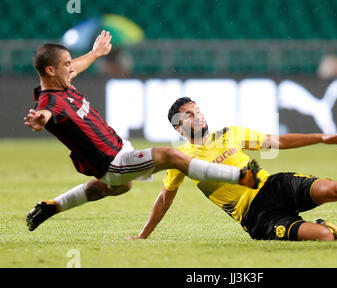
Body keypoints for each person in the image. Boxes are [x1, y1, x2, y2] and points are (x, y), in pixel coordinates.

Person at [24, 31, 260, 232]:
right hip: (112, 162)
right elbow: (45, 113)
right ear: (51, 71)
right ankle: (241, 176)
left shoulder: (61, 82)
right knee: (169, 156)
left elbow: (76, 66)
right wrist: (40, 120)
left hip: (118, 148)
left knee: (119, 187)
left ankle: (53, 205)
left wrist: (96, 53)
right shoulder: (51, 102)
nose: (71, 66)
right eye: (66, 64)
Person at [127, 97, 337, 241]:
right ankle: (327, 226)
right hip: (257, 218)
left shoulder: (231, 133)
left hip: (275, 185)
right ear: (180, 128)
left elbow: (278, 141)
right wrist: (143, 237)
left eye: (198, 110)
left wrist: (321, 138)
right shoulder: (180, 158)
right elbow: (164, 200)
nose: (198, 116)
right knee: (328, 239)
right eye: (189, 115)